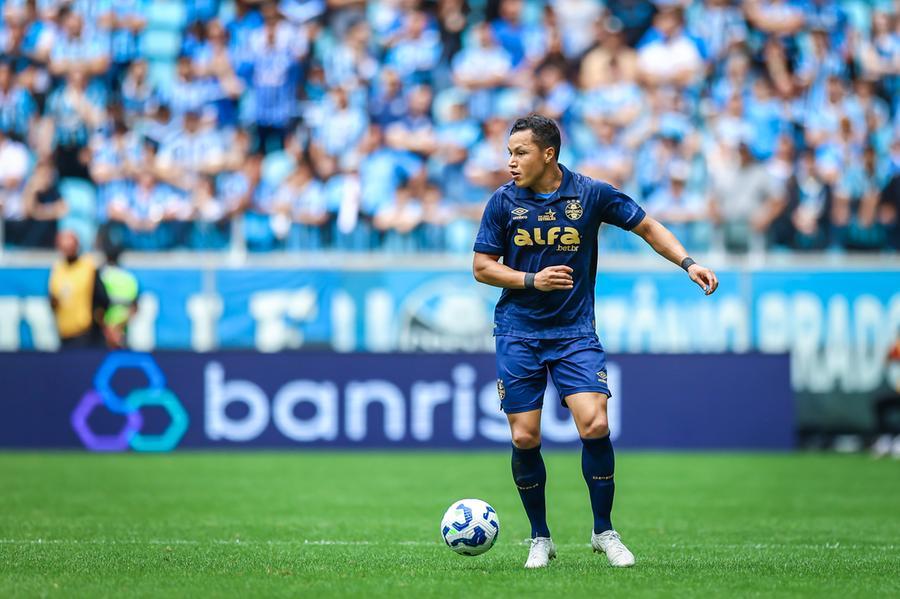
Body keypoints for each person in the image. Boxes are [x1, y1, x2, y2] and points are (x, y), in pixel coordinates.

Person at [472, 115, 718, 569]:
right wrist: (532, 279)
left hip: (574, 333)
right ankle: (539, 537)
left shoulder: (590, 194)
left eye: (519, 152)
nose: (510, 162)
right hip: (518, 332)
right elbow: (482, 267)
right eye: (508, 152)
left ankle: (603, 530)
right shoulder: (503, 203)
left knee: (595, 426)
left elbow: (647, 226)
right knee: (525, 436)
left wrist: (688, 262)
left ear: (548, 154)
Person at [48, 231, 109, 349]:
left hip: (86, 333)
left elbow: (102, 299)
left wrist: (97, 322)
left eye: (70, 244)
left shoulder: (88, 267)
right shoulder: (57, 269)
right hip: (64, 332)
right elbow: (52, 298)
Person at [99, 243, 139, 349]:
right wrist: (119, 327)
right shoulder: (129, 278)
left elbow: (96, 307)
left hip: (105, 332)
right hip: (121, 330)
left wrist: (109, 329)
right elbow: (134, 308)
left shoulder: (101, 277)